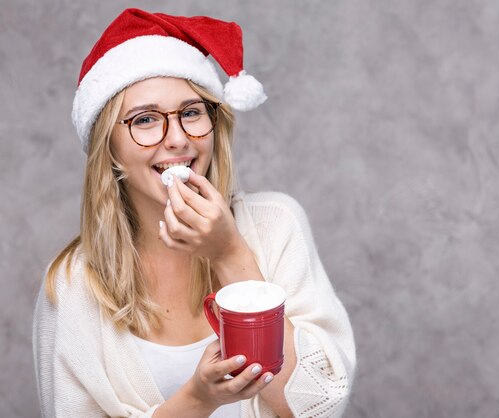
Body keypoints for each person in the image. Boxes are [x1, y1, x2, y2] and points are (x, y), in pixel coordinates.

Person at [32, 8, 356, 418]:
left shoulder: (277, 225)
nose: (178, 139)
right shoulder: (73, 284)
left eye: (190, 112)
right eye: (145, 119)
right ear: (109, 148)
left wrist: (230, 254)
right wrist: (198, 400)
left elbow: (319, 406)